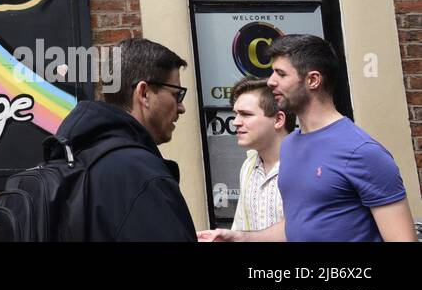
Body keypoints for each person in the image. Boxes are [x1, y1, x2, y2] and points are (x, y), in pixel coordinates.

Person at [200, 34, 416, 242]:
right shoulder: (290, 145)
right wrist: (241, 238)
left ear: (313, 80)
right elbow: (296, 227)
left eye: (281, 74)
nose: (270, 82)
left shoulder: (362, 152)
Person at [52, 36, 196, 241]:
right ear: (144, 93)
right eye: (176, 94)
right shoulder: (140, 174)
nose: (181, 107)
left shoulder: (77, 156)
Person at [227, 77, 291, 233]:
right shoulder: (248, 167)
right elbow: (240, 227)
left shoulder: (306, 167)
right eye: (236, 114)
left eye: (245, 114)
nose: (235, 122)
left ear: (278, 119)